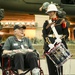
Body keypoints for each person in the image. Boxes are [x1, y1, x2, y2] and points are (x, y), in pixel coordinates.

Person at [42, 3, 69, 75]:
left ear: (55, 12)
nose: (49, 13)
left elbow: (66, 34)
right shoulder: (46, 22)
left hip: (59, 45)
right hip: (50, 46)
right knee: (50, 66)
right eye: (48, 12)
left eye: (51, 12)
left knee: (59, 66)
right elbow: (44, 35)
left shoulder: (62, 21)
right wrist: (49, 43)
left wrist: (61, 39)